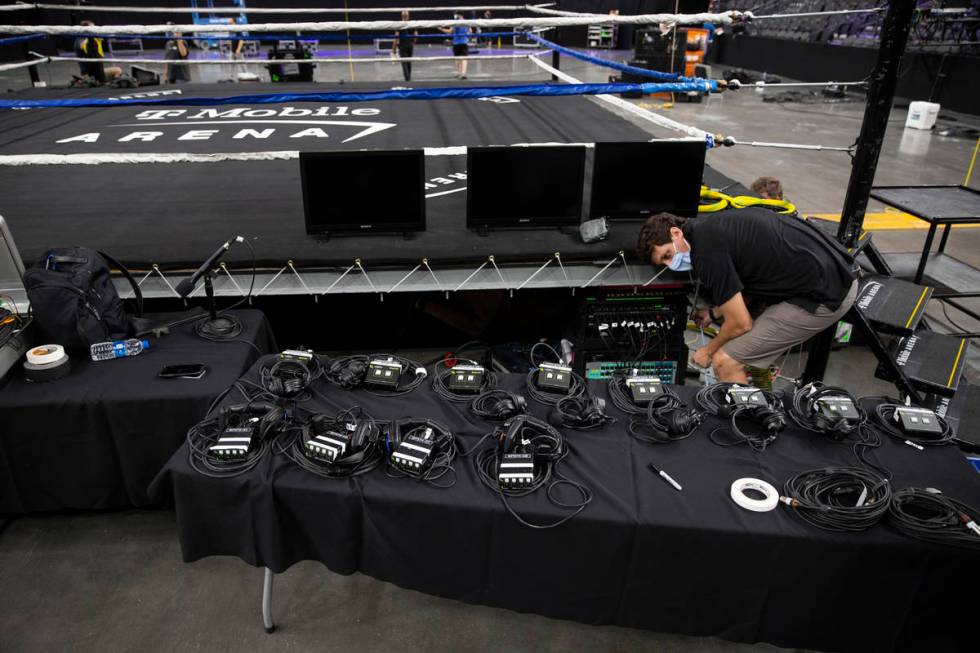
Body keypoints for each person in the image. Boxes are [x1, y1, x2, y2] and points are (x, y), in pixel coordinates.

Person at [636, 208, 858, 383]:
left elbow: (741, 324)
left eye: (667, 255)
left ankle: (746, 425)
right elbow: (744, 283)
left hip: (824, 296)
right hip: (837, 271)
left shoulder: (706, 254)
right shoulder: (708, 227)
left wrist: (707, 351)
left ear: (676, 233)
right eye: (664, 263)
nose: (671, 264)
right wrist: (713, 314)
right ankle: (762, 403)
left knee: (725, 361)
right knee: (743, 345)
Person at [440, 12, 469, 79]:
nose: (455, 16)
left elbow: (450, 31)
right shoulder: (467, 22)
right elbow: (470, 30)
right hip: (464, 42)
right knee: (464, 58)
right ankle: (463, 73)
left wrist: (441, 29)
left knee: (458, 58)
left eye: (456, 14)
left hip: (457, 43)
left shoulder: (455, 22)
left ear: (459, 15)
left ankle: (459, 73)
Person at [392, 10, 418, 82]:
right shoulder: (412, 24)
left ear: (401, 16)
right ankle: (409, 77)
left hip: (402, 45)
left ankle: (407, 79)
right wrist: (413, 42)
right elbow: (416, 35)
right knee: (409, 62)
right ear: (408, 16)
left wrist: (393, 49)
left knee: (404, 63)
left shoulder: (399, 25)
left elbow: (396, 37)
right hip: (410, 45)